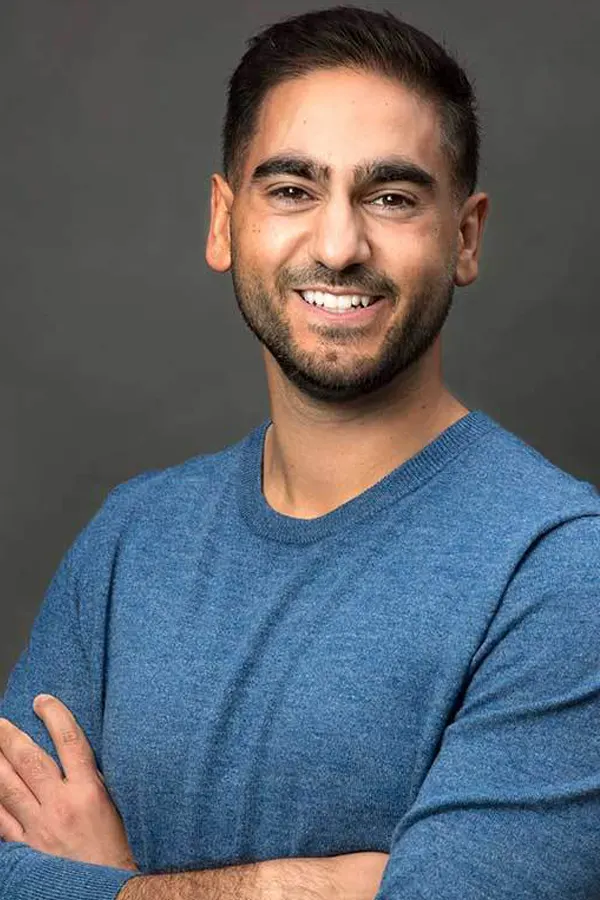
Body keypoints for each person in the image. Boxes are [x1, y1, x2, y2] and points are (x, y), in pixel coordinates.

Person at [1, 6, 599, 900]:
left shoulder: (561, 568)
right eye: (291, 189)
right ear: (223, 221)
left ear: (465, 238)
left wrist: (105, 887)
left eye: (391, 197)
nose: (337, 244)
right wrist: (312, 887)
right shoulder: (131, 539)